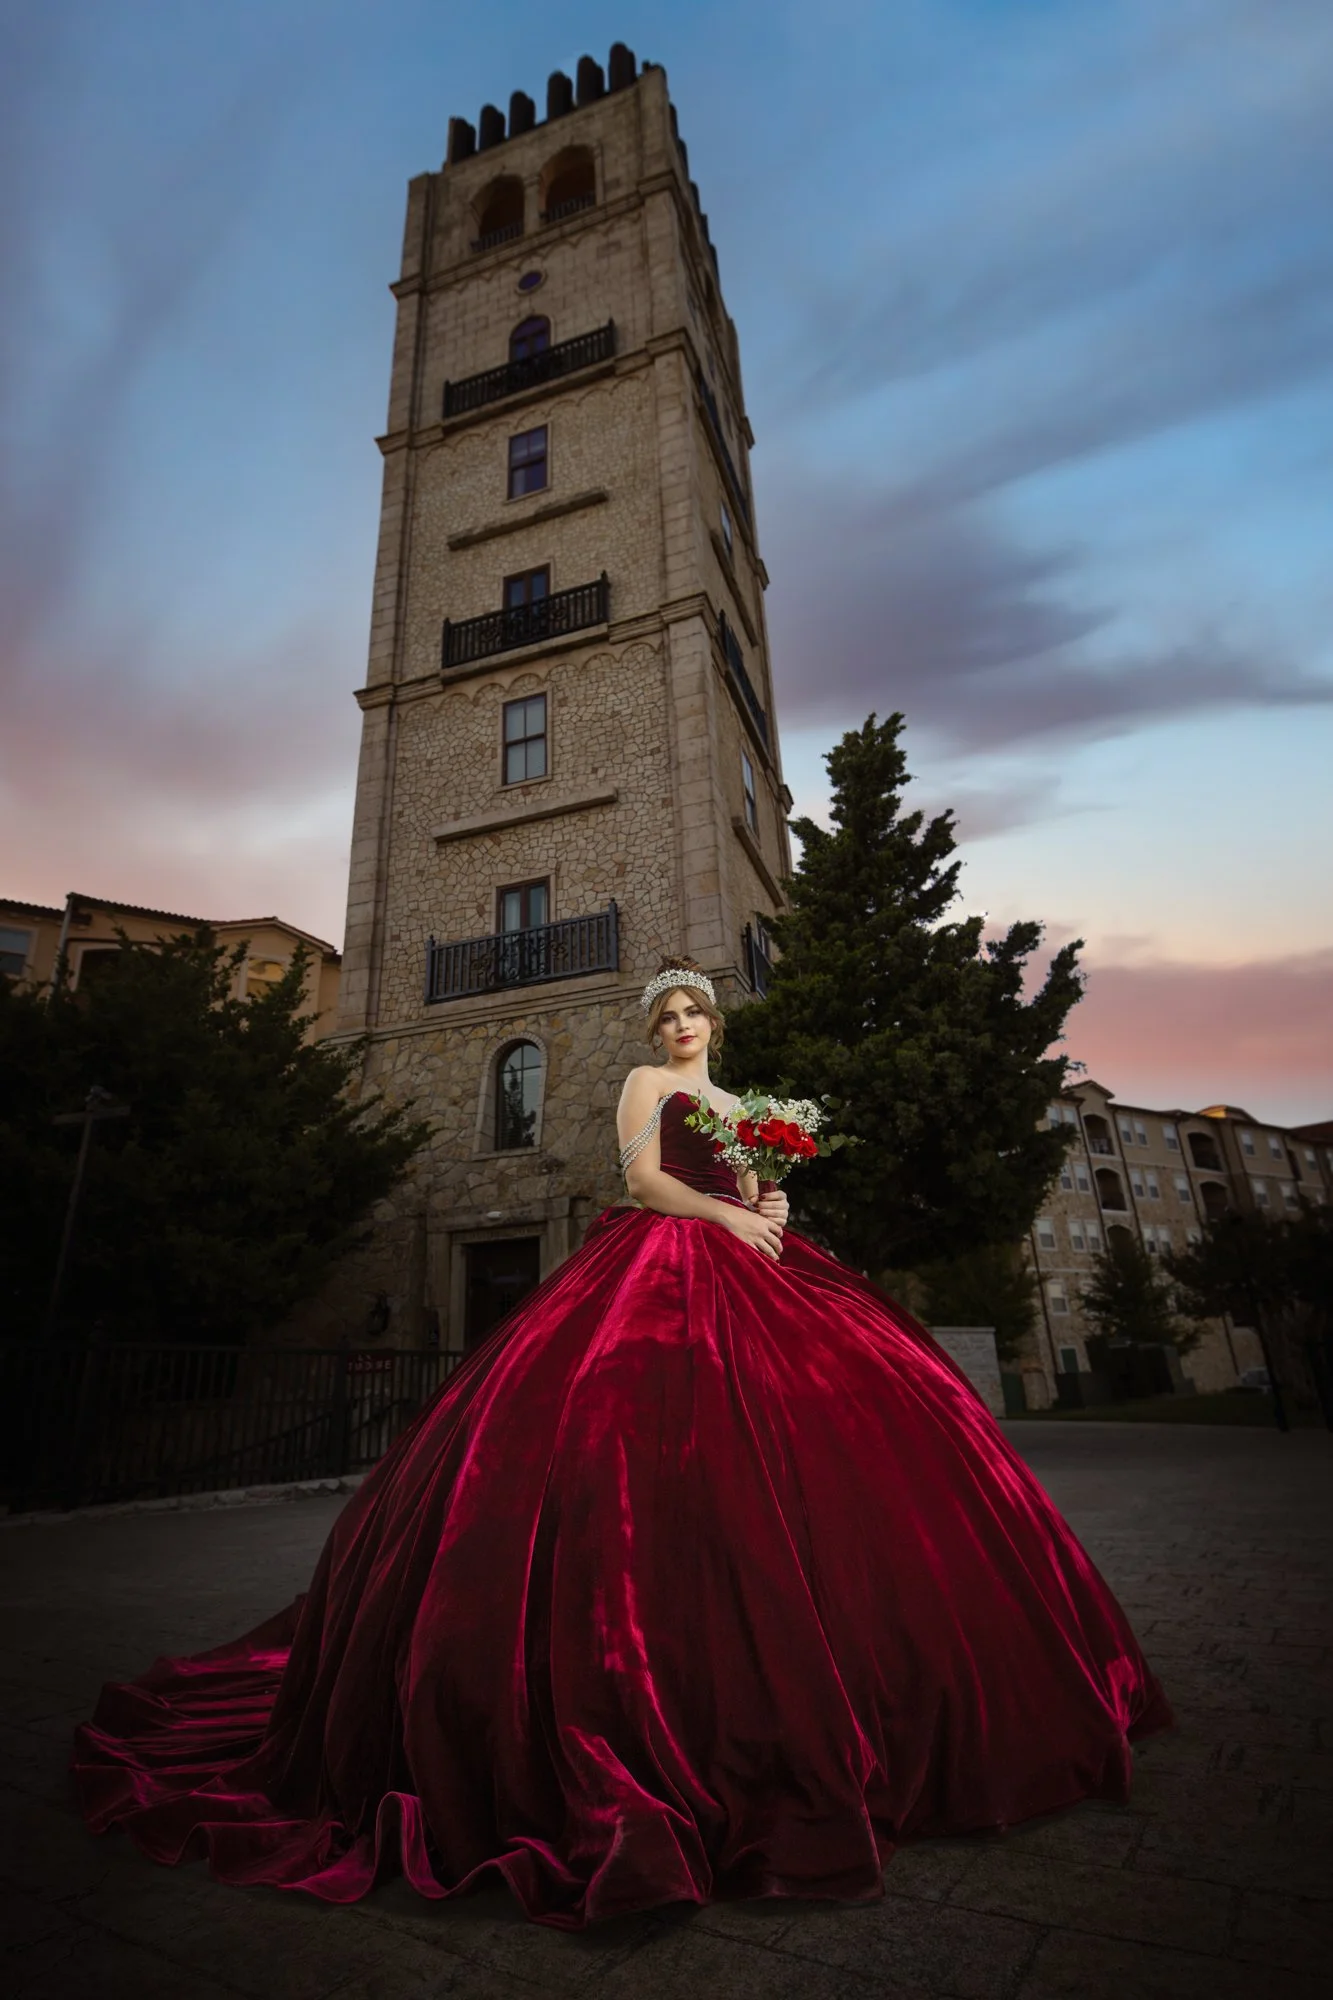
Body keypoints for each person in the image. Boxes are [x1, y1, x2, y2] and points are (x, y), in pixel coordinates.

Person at [72, 957, 1172, 1931]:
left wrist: (769, 1197)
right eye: (672, 1013)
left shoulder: (743, 1101)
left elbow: (749, 1181)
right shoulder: (648, 1086)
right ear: (657, 1031)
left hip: (755, 1261)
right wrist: (727, 1217)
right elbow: (646, 1180)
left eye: (698, 1011)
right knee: (619, 1431)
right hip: (664, 1255)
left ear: (716, 1026)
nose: (685, 1025)